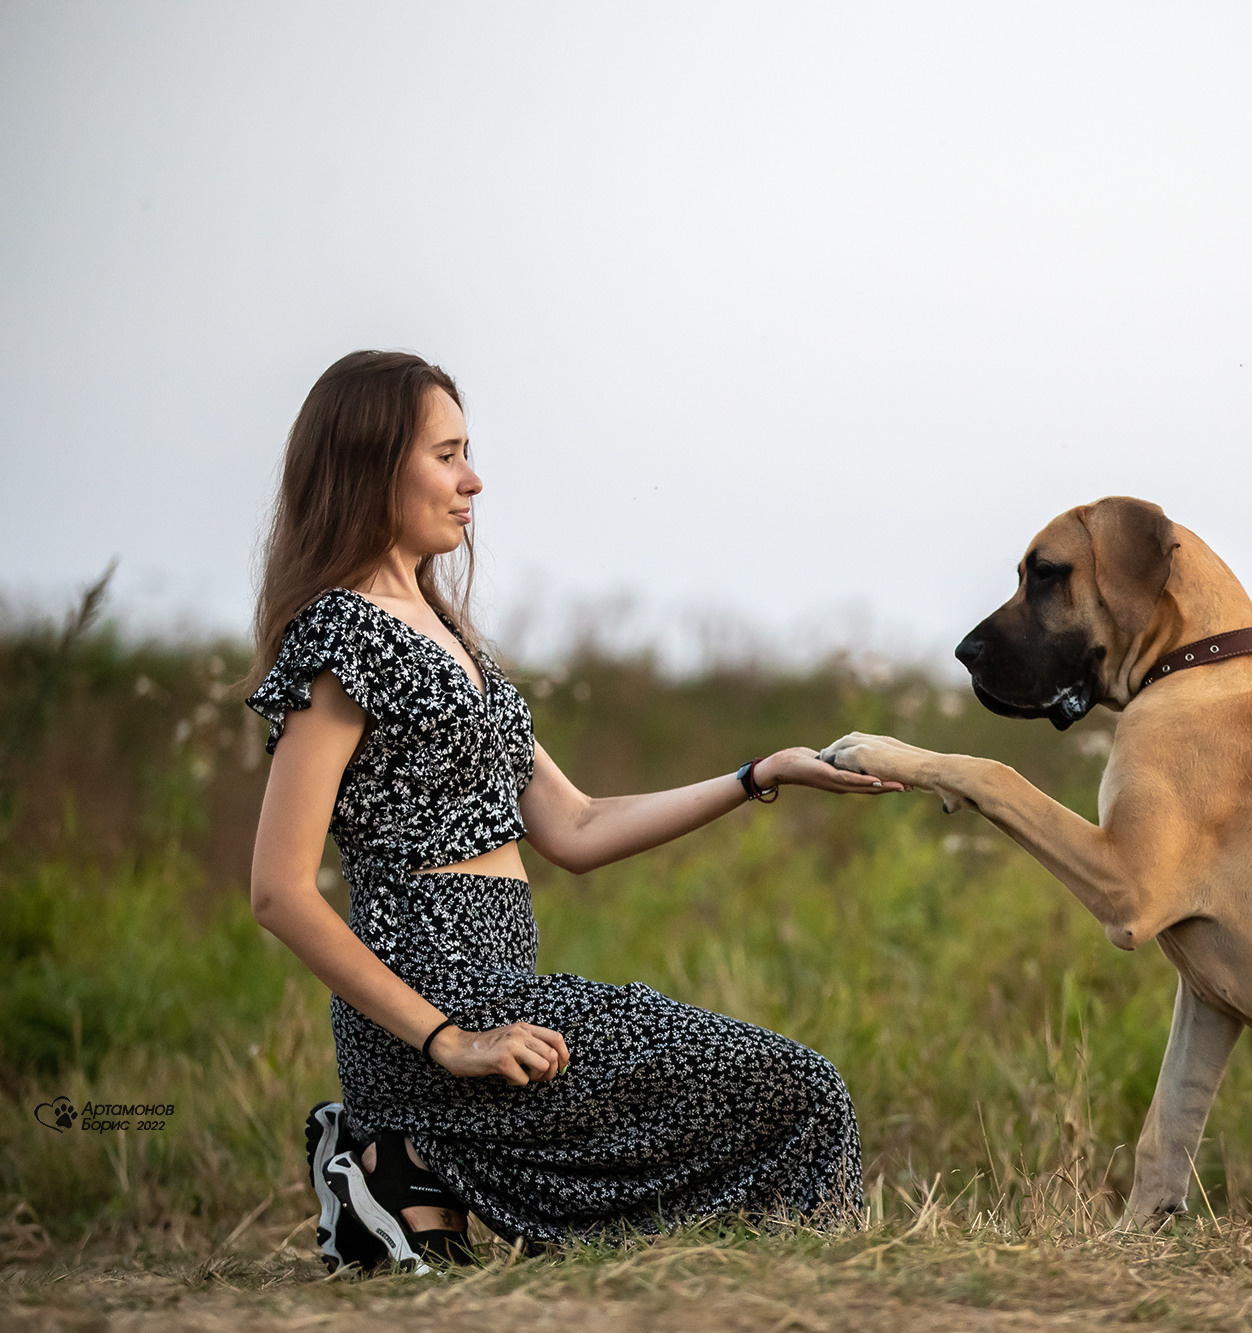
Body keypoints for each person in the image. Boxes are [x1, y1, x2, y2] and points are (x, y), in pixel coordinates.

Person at [245, 350, 898, 1273]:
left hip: (506, 992)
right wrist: (448, 1039)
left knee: (781, 1095)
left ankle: (403, 1172)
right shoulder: (339, 636)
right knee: (801, 1088)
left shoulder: (450, 635)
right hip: (433, 1008)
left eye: (467, 452)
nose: (473, 479)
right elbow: (278, 890)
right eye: (447, 454)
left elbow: (576, 828)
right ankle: (396, 1153)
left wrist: (759, 774)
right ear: (370, 462)